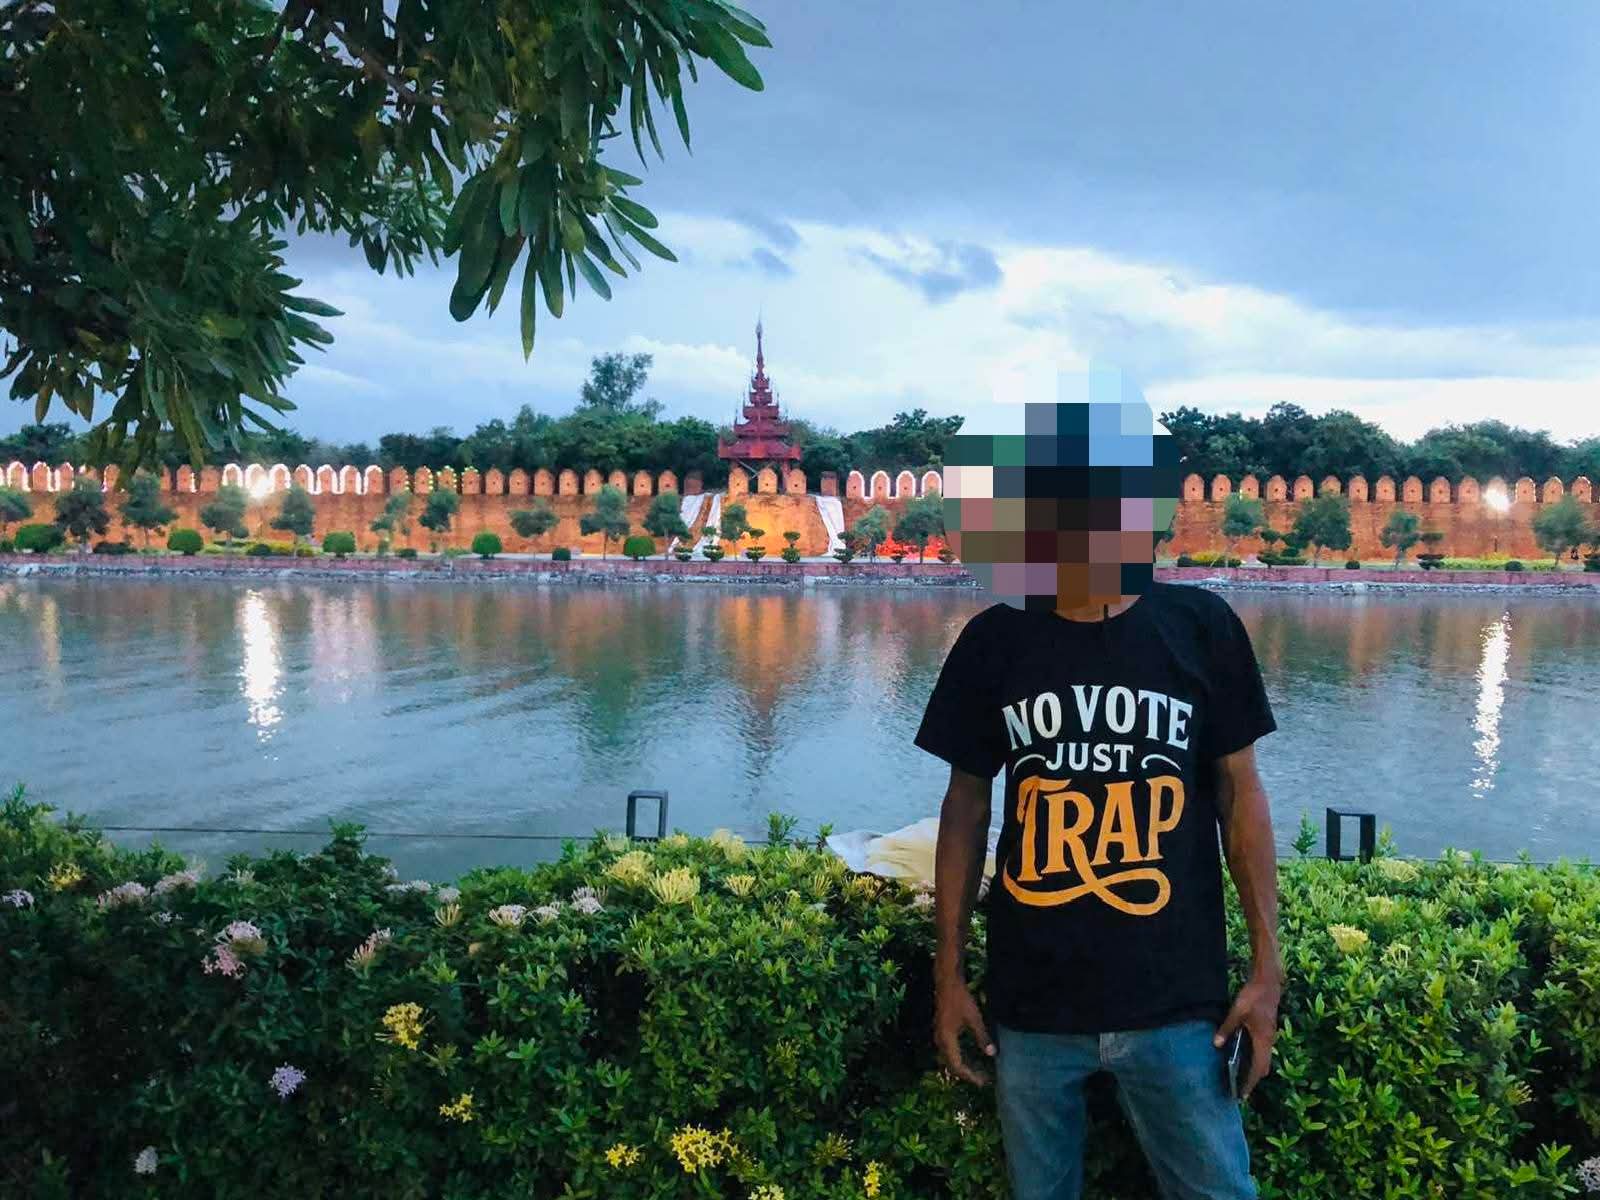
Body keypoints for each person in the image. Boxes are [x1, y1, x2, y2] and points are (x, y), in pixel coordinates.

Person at [917, 383, 1282, 1200]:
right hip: (1032, 1008)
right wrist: (950, 978)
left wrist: (1267, 970)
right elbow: (965, 809)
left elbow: (1241, 799)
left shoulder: (1202, 629)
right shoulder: (994, 642)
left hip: (1178, 1008)